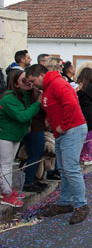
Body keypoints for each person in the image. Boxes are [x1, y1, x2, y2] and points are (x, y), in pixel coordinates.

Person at [26, 64, 90, 224]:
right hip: (64, 131)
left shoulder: (57, 84)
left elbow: (71, 104)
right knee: (64, 168)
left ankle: (81, 205)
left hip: (72, 129)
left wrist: (64, 125)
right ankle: (64, 203)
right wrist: (52, 120)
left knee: (71, 168)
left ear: (41, 75)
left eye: (33, 81)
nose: (33, 85)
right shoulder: (49, 87)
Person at [0, 71, 41, 207]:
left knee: (8, 163)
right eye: (24, 80)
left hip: (15, 134)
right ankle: (6, 193)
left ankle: (7, 189)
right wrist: (38, 103)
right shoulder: (9, 98)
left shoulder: (25, 96)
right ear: (16, 84)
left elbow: (26, 115)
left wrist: (27, 125)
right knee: (6, 164)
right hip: (5, 135)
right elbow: (23, 115)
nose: (28, 81)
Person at [76, 68, 92, 166]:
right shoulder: (90, 86)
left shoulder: (80, 86)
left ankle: (85, 156)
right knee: (91, 137)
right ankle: (88, 157)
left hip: (84, 113)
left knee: (87, 137)